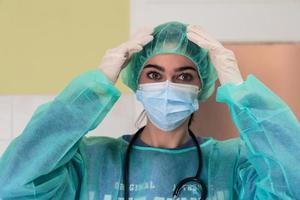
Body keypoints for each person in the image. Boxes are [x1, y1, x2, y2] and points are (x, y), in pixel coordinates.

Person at [0, 21, 299, 200]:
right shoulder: (91, 161)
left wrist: (242, 91)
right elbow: (14, 186)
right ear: (137, 85)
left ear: (202, 86)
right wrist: (95, 88)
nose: (168, 86)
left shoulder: (232, 164)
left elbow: (293, 187)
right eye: (154, 75)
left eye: (184, 76)